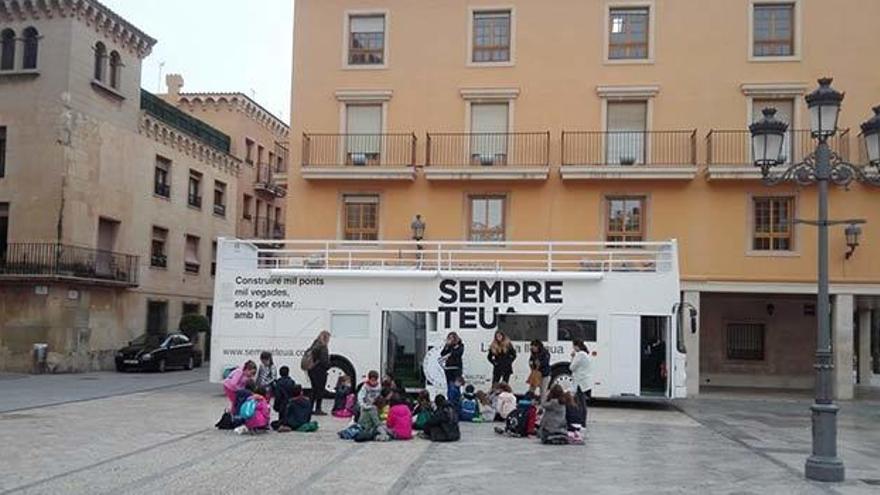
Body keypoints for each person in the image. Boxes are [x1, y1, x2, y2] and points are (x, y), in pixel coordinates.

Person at [306, 330, 332, 415]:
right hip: (320, 371)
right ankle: (318, 408)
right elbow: (324, 361)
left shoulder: (315, 344)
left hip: (312, 370)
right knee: (320, 391)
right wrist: (329, 365)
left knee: (314, 390)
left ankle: (309, 408)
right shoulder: (323, 347)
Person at [569, 339, 593, 427]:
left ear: (576, 346)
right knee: (582, 402)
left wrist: (572, 357)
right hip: (584, 382)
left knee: (580, 403)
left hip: (580, 382)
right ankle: (582, 421)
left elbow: (571, 367)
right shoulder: (585, 354)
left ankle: (581, 422)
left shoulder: (580, 354)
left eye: (573, 346)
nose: (573, 348)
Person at [440, 332, 464, 400]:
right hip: (448, 369)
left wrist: (450, 353)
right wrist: (446, 346)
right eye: (449, 338)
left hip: (457, 369)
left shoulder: (460, 345)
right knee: (450, 386)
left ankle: (456, 400)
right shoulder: (448, 346)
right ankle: (450, 400)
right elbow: (442, 354)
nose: (450, 339)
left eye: (452, 338)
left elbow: (458, 353)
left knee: (456, 386)